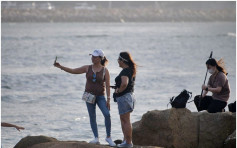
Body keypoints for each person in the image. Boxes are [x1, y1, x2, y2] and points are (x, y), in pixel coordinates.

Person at [54, 49, 116, 146]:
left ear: (100, 58)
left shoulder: (105, 70)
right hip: (89, 95)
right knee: (92, 117)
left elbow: (108, 86)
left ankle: (108, 137)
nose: (92, 58)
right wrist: (60, 66)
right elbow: (73, 71)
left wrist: (108, 99)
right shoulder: (87, 68)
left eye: (95, 57)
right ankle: (96, 138)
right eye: (92, 56)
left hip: (100, 96)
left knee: (107, 114)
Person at [113, 52, 137, 148]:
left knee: (125, 120)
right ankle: (125, 141)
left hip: (124, 97)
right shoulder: (130, 70)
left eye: (118, 60)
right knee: (126, 120)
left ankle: (128, 143)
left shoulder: (125, 71)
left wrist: (118, 91)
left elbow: (124, 84)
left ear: (122, 61)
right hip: (130, 96)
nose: (117, 62)